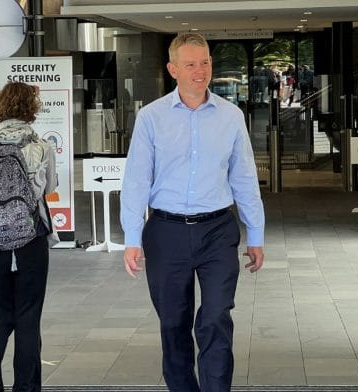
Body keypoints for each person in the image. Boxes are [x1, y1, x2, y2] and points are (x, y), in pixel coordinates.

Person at [120, 33, 265, 392]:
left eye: (205, 63)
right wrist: (132, 237)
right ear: (173, 69)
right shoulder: (151, 118)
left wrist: (256, 234)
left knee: (216, 317)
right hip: (166, 232)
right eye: (190, 64)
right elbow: (136, 179)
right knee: (173, 322)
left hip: (217, 229)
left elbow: (244, 177)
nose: (200, 71)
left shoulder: (231, 117)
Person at [0, 82, 57, 392]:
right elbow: (49, 188)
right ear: (31, 110)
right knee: (28, 317)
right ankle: (27, 387)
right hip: (30, 238)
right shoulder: (42, 147)